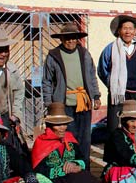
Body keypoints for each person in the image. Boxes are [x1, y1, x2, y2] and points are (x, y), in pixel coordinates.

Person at [31, 102, 101, 183]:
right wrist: (62, 169)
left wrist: (76, 165)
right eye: (58, 124)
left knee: (85, 176)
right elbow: (38, 169)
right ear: (50, 125)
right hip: (53, 179)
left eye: (64, 124)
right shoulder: (41, 142)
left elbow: (82, 158)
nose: (62, 127)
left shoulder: (69, 138)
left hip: (71, 175)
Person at [43, 23, 101, 167]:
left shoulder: (84, 54)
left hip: (83, 102)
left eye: (73, 38)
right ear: (61, 39)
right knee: (68, 137)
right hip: (63, 104)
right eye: (66, 38)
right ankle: (68, 168)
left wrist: (96, 96)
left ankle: (84, 169)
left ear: (77, 39)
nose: (70, 41)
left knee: (85, 138)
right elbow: (47, 81)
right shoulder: (53, 56)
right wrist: (49, 103)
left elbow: (92, 76)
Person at [98, 15, 136, 134]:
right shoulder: (110, 49)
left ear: (135, 31)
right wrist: (113, 85)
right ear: (119, 31)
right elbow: (102, 70)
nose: (128, 32)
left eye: (131, 28)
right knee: (115, 126)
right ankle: (115, 152)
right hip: (118, 95)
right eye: (124, 28)